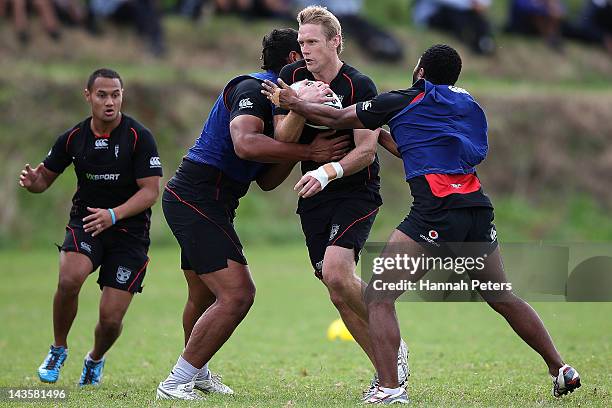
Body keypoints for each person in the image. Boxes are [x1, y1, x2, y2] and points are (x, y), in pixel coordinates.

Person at [262, 44, 582, 404]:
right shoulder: (464, 103)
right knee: (501, 295)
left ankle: (390, 387)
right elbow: (413, 147)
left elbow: (338, 119)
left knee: (378, 297)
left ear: (421, 72)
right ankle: (561, 368)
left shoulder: (403, 98)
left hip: (436, 212)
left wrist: (295, 103)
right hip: (476, 207)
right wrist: (379, 132)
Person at [156, 27, 351, 400]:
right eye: (306, 53)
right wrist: (310, 155)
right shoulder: (253, 88)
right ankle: (176, 381)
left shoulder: (279, 102)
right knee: (238, 294)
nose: (312, 64)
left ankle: (196, 374)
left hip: (213, 200)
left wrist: (298, 134)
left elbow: (267, 181)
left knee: (202, 297)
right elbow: (245, 145)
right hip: (195, 195)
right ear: (293, 60)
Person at [271, 5, 408, 401]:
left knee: (336, 271)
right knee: (335, 287)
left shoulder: (360, 85)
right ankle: (390, 359)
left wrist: (326, 171)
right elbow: (283, 138)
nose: (305, 50)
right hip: (313, 197)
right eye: (301, 42)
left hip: (356, 190)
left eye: (313, 42)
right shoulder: (291, 77)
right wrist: (298, 102)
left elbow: (366, 151)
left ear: (335, 42)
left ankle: (390, 366)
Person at [19, 68, 163, 386]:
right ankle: (58, 349)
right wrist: (33, 183)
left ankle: (94, 358)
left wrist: (113, 215)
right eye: (102, 95)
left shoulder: (139, 136)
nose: (109, 102)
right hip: (87, 223)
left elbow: (150, 192)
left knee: (111, 319)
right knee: (70, 278)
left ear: (122, 96)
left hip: (129, 233)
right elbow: (44, 179)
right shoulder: (73, 138)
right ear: (88, 96)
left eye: (115, 94)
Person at [412, 0, 495, 55]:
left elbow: (483, 4)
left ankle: (484, 42)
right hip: (429, 17)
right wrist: (472, 4)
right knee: (457, 14)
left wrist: (479, 4)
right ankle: (473, 43)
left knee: (474, 16)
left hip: (452, 14)